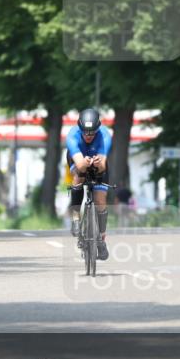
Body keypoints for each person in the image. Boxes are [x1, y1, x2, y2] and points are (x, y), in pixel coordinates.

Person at [66, 107, 112, 260]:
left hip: (98, 160)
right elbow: (79, 165)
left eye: (92, 133)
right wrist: (85, 163)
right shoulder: (73, 135)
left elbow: (103, 166)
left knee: (100, 199)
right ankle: (75, 218)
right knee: (78, 177)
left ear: (97, 129)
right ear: (80, 129)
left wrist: (97, 163)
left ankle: (101, 239)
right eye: (85, 132)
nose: (88, 136)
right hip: (78, 158)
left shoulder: (105, 135)